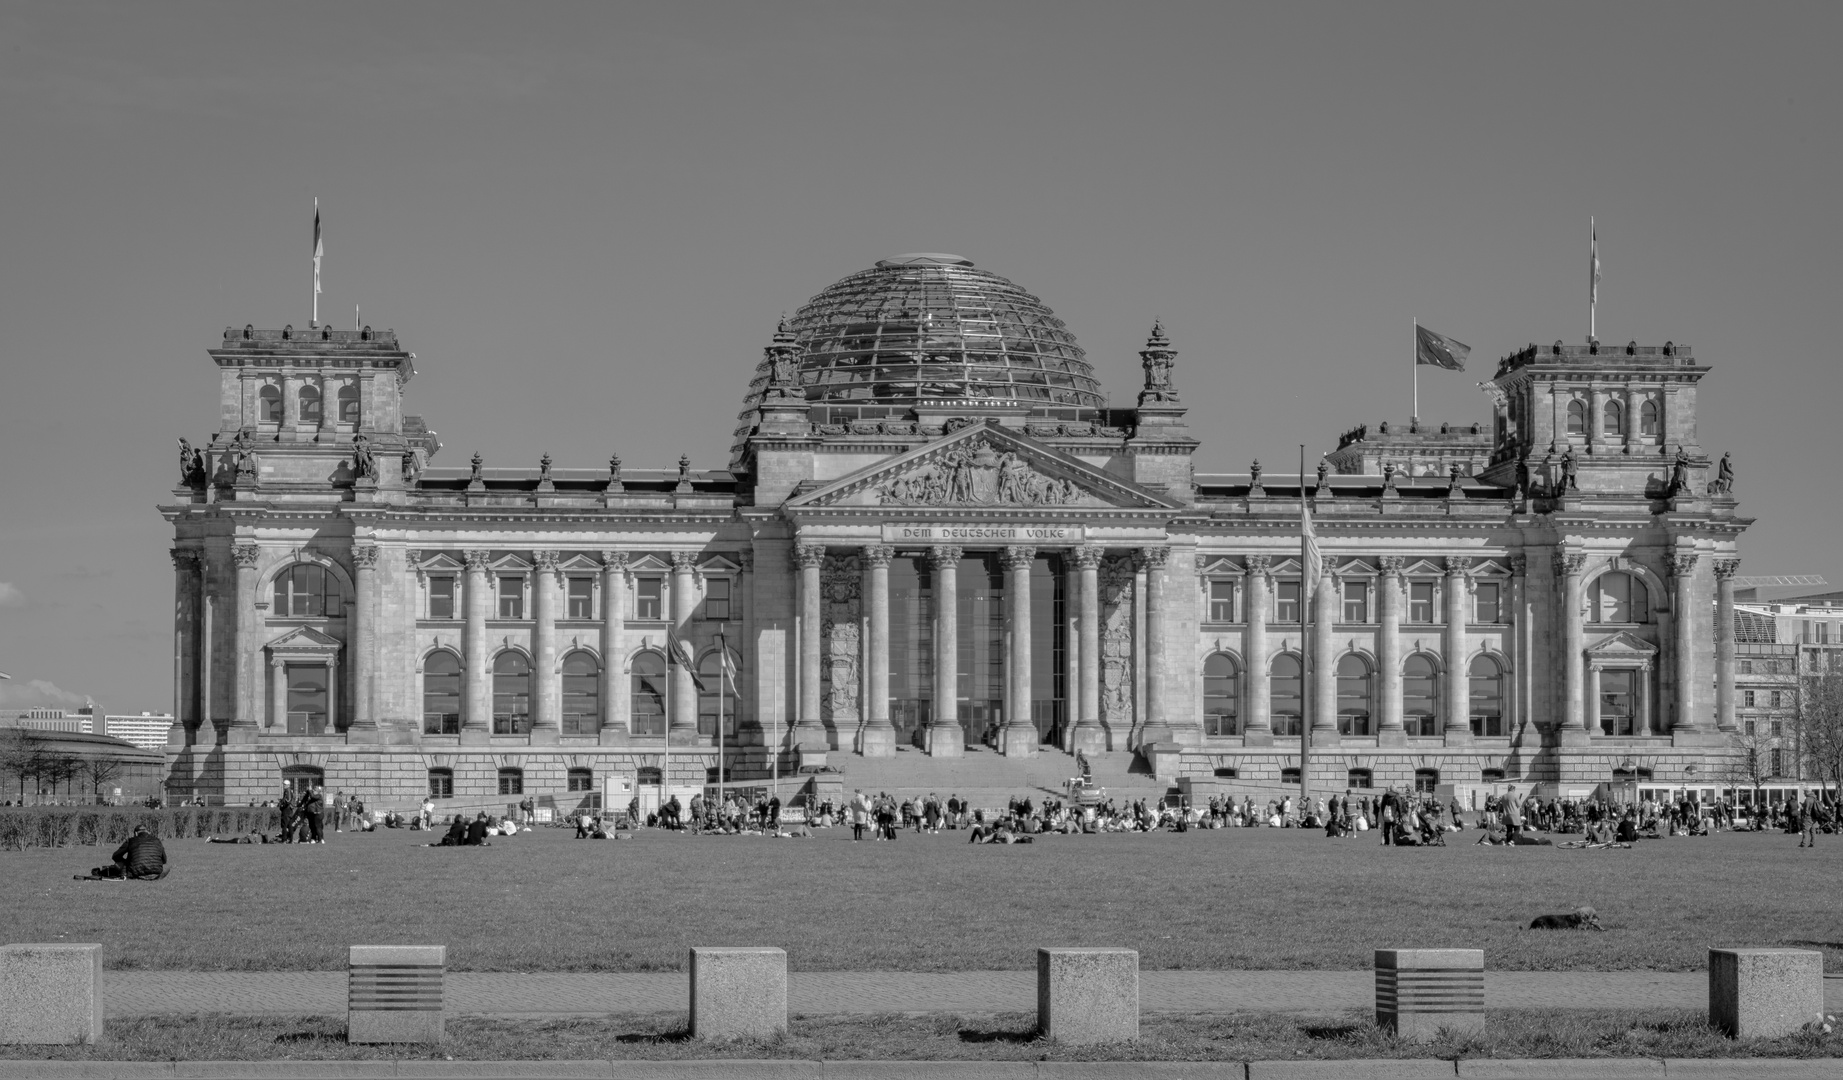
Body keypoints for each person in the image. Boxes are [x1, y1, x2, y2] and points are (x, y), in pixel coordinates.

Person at [80, 825, 167, 879]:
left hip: (136, 872)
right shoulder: (157, 840)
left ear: (136, 833)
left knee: (121, 865)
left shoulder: (131, 840)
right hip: (157, 872)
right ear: (147, 832)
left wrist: (125, 862)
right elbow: (164, 860)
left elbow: (115, 856)